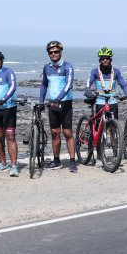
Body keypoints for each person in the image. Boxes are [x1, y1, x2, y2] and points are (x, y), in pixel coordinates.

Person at [39, 41, 77, 172]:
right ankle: (56, 161)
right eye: (51, 52)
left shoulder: (68, 67)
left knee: (67, 132)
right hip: (52, 104)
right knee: (55, 133)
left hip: (65, 103)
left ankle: (72, 161)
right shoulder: (47, 67)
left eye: (56, 51)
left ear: (61, 52)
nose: (53, 54)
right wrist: (41, 101)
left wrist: (58, 99)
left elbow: (68, 85)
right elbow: (44, 85)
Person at [84, 46, 127, 119]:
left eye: (107, 58)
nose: (105, 60)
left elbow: (124, 85)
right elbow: (88, 84)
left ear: (111, 59)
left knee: (113, 127)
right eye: (103, 58)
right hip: (100, 101)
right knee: (99, 126)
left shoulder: (116, 71)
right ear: (100, 60)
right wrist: (87, 91)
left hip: (112, 101)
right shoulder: (94, 71)